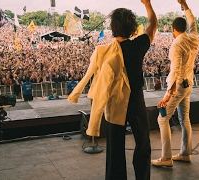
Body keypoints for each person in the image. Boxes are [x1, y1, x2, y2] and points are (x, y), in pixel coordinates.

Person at [67, 0, 157, 179]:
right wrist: (147, 3)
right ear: (133, 28)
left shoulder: (105, 51)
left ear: (113, 28)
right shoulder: (138, 46)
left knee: (115, 146)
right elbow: (153, 25)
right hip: (136, 100)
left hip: (114, 101)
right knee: (142, 143)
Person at [151, 0, 199, 167]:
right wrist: (185, 6)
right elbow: (193, 23)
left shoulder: (176, 45)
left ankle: (166, 157)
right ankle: (186, 153)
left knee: (162, 119)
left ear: (172, 29)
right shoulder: (193, 39)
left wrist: (167, 95)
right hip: (189, 86)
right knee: (185, 119)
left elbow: (175, 71)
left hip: (178, 88)